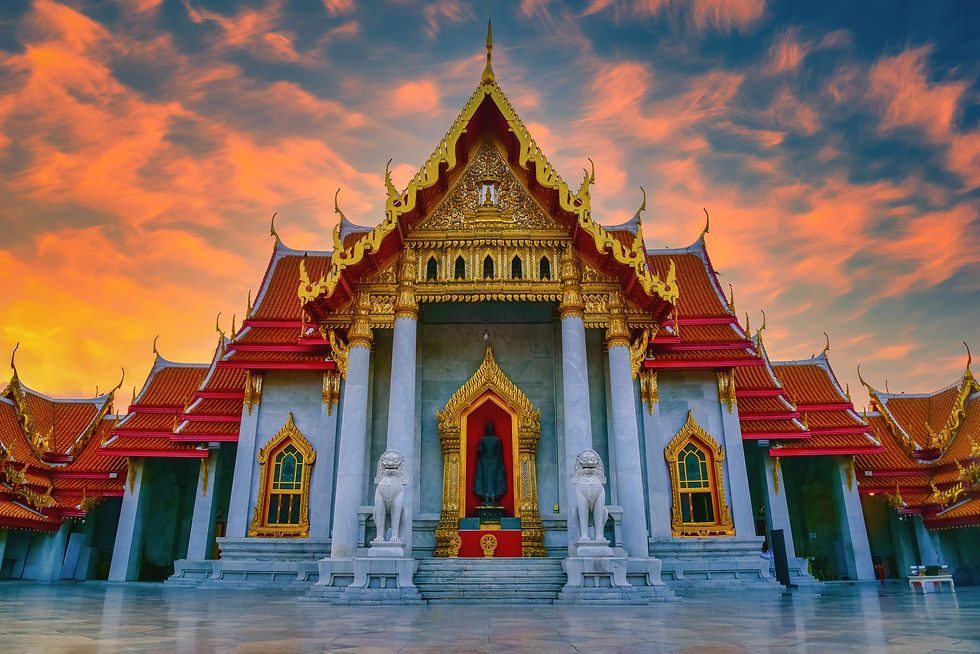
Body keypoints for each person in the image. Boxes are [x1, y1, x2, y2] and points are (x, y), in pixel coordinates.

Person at [473, 420, 506, 505]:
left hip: (494, 462)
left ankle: (493, 496)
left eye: (491, 428)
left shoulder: (497, 440)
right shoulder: (482, 440)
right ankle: (486, 496)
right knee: (485, 480)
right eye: (488, 428)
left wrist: (502, 466)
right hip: (484, 462)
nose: (489, 429)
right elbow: (479, 454)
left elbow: (499, 454)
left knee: (493, 480)